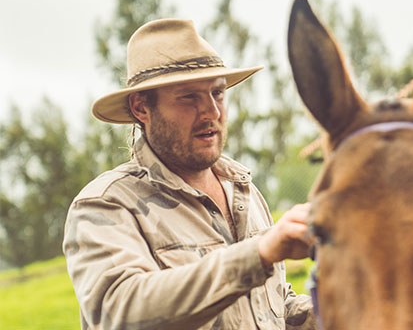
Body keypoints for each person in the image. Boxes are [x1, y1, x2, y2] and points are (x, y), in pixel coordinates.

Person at [63, 18, 316, 330]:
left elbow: (268, 308)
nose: (211, 111)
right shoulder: (106, 205)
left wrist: (340, 310)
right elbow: (121, 312)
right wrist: (260, 254)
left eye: (218, 93)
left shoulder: (243, 191)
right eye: (189, 97)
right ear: (141, 107)